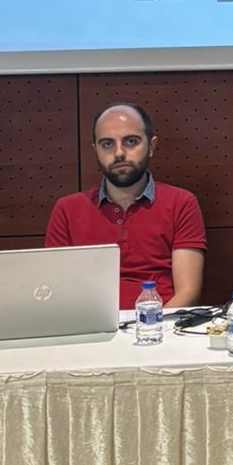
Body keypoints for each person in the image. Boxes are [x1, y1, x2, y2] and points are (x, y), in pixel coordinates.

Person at [45, 103, 206, 311]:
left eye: (131, 141)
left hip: (160, 324)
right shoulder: (67, 209)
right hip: (90, 324)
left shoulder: (181, 203)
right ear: (95, 151)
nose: (119, 153)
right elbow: (56, 290)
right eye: (107, 144)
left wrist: (149, 325)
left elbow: (188, 293)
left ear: (151, 146)